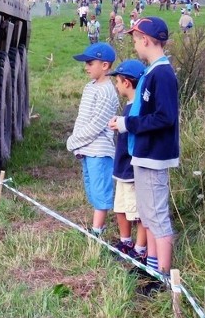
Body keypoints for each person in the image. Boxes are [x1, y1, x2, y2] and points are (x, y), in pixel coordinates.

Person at [108, 16, 180, 291]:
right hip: (144, 153)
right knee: (148, 216)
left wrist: (128, 124)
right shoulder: (152, 72)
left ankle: (162, 277)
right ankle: (150, 266)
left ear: (147, 40)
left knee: (157, 217)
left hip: (154, 155)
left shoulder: (162, 74)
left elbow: (165, 117)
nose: (135, 45)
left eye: (136, 39)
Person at [66, 42, 120, 238]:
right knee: (90, 186)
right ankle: (97, 226)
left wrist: (73, 141)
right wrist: (78, 142)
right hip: (87, 148)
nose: (86, 67)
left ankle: (97, 230)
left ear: (104, 65)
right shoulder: (90, 87)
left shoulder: (107, 92)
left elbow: (97, 125)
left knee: (100, 189)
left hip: (99, 149)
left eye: (90, 63)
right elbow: (83, 118)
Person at [106, 59, 148, 261]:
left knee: (136, 211)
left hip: (131, 170)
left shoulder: (137, 110)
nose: (116, 85)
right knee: (121, 207)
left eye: (118, 81)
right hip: (121, 168)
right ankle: (125, 242)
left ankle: (139, 250)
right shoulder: (129, 107)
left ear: (127, 83)